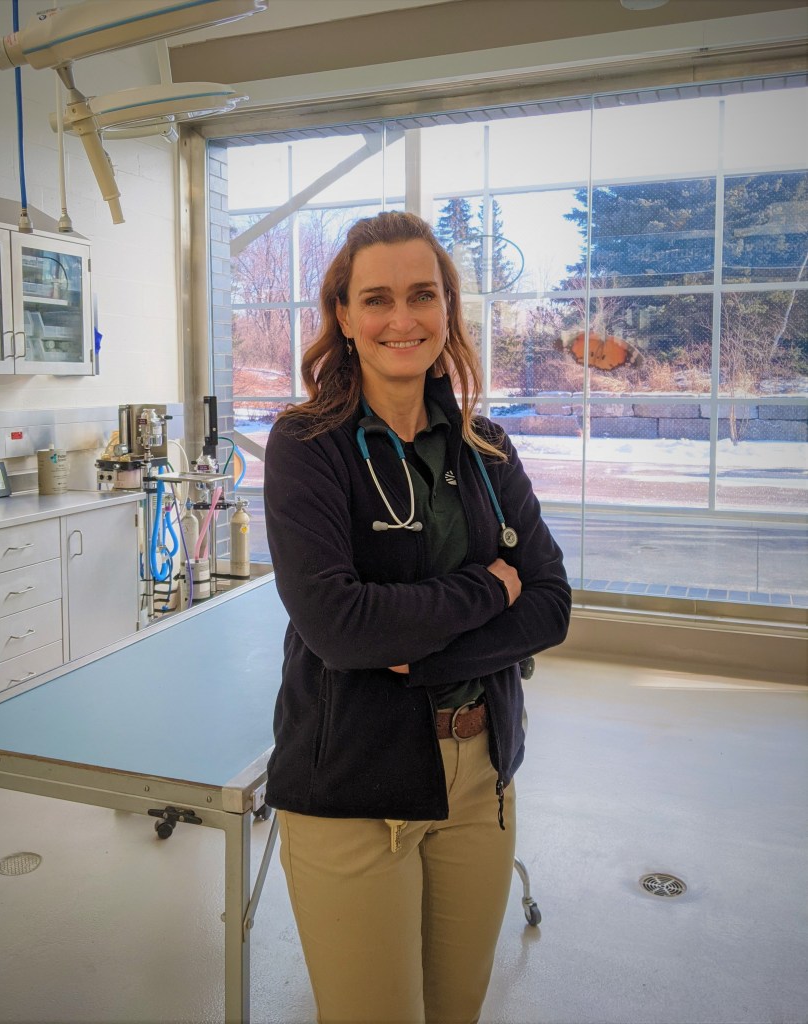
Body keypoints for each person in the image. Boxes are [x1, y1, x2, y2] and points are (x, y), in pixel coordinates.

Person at [263, 210, 571, 1024]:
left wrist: (425, 655)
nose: (402, 319)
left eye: (422, 295)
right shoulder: (307, 445)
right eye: (376, 299)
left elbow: (551, 603)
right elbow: (339, 626)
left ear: (447, 309)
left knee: (456, 1009)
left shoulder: (486, 448)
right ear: (344, 316)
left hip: (481, 773)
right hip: (355, 781)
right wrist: (488, 590)